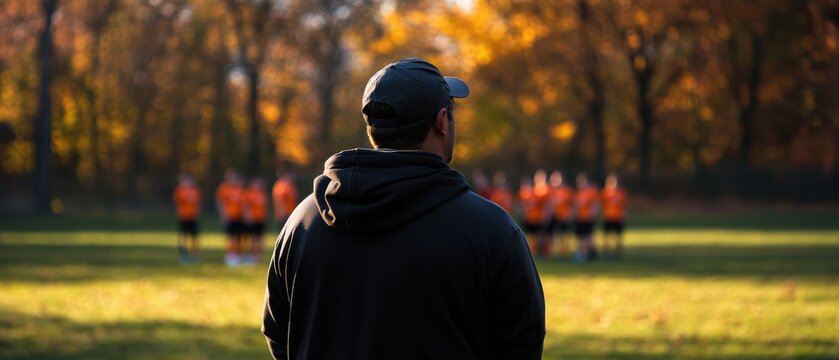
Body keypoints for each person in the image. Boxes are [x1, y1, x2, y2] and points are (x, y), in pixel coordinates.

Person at [262, 58, 545, 359]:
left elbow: (279, 334)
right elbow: (522, 343)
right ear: (441, 122)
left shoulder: (303, 222)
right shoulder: (491, 229)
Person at [520, 170, 553, 257]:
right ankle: (534, 251)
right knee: (533, 235)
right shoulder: (532, 191)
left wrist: (546, 216)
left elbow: (546, 205)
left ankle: (542, 251)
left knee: (541, 235)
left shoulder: (545, 190)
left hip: (540, 217)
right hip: (532, 217)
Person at [216, 169, 245, 267]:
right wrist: (223, 215)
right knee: (231, 237)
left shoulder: (239, 189)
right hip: (229, 216)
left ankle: (238, 255)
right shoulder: (223, 188)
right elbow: (220, 203)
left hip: (239, 216)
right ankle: (230, 256)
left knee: (239, 237)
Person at [172, 174, 201, 263]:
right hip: (183, 216)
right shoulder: (179, 191)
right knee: (183, 235)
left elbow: (198, 203)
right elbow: (177, 203)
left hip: (193, 216)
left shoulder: (195, 191)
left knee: (194, 236)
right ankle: (183, 253)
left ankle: (194, 253)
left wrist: (197, 212)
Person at [573, 173, 600, 262]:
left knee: (587, 237)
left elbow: (595, 205)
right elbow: (576, 206)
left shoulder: (591, 192)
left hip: (588, 218)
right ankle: (588, 254)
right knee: (583, 237)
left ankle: (586, 255)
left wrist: (592, 215)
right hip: (580, 218)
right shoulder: (578, 193)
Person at [601, 173, 628, 259]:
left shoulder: (621, 193)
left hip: (618, 216)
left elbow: (625, 205)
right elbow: (601, 204)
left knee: (618, 234)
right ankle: (606, 249)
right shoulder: (605, 192)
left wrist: (624, 215)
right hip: (608, 216)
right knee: (606, 233)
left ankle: (618, 250)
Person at [243, 177, 268, 265]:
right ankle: (252, 255)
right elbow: (246, 206)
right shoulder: (249, 193)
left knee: (260, 238)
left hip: (260, 218)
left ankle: (258, 256)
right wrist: (247, 216)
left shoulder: (262, 194)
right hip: (253, 218)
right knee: (253, 238)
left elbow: (264, 207)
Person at [549, 170, 574, 258]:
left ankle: (565, 251)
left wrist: (570, 214)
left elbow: (571, 204)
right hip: (555, 216)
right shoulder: (552, 191)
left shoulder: (567, 191)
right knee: (556, 234)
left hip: (564, 216)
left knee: (565, 234)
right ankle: (556, 251)